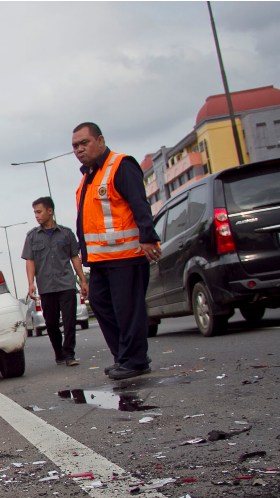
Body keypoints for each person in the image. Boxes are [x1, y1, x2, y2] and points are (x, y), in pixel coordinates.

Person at [71, 122, 161, 380]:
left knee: (128, 310)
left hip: (126, 255)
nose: (79, 149)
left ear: (100, 140)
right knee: (100, 304)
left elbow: (138, 203)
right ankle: (124, 356)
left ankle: (135, 360)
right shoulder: (88, 176)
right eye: (75, 146)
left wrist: (147, 236)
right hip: (101, 259)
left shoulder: (120, 166)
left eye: (84, 143)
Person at [21, 196, 88, 366]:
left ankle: (69, 354)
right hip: (46, 287)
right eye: (34, 212)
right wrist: (31, 283)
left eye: (39, 211)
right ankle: (59, 352)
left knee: (69, 320)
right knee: (50, 323)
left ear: (50, 211)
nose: (36, 216)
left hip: (66, 284)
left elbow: (74, 257)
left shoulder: (66, 233)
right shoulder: (32, 236)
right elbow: (30, 261)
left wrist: (82, 280)